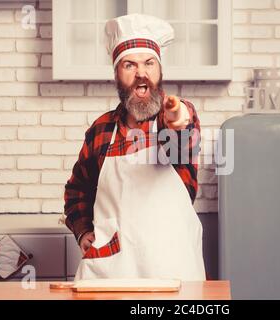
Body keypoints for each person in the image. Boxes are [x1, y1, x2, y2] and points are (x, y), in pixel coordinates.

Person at [64, 14, 206, 281]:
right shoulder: (101, 130)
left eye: (149, 63)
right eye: (129, 65)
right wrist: (83, 230)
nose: (141, 73)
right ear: (116, 74)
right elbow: (77, 189)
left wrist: (178, 118)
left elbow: (178, 140)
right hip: (112, 271)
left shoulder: (174, 116)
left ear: (160, 71)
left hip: (173, 267)